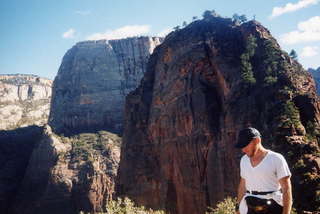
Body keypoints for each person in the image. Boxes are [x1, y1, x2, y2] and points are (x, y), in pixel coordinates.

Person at [235, 127, 292, 214]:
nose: (243, 149)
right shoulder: (244, 160)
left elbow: (286, 189)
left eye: (246, 145)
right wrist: (238, 208)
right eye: (242, 146)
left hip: (273, 206)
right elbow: (242, 185)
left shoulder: (276, 158)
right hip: (250, 206)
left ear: (257, 140)